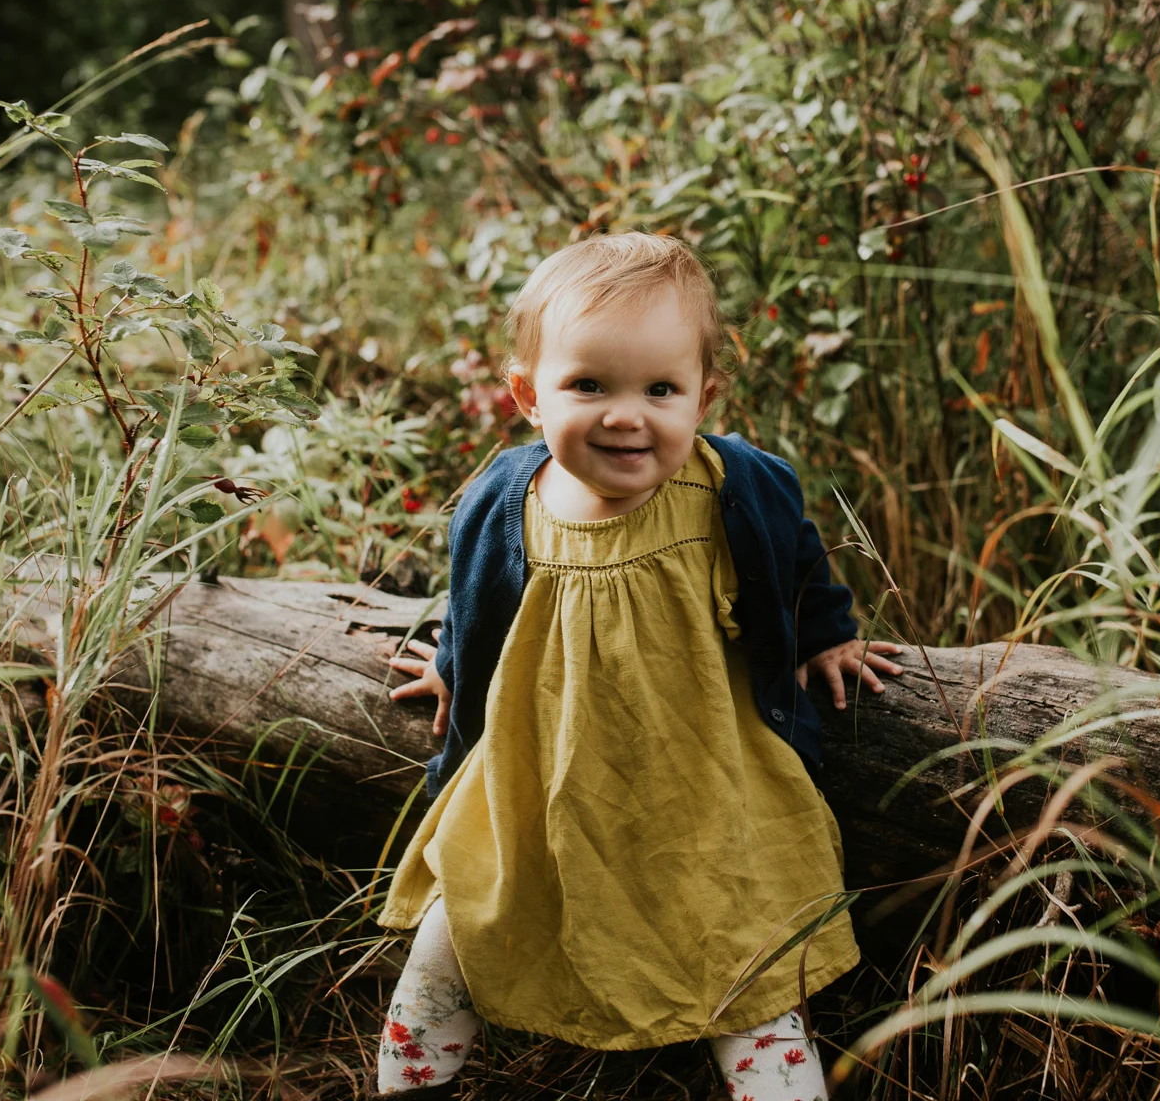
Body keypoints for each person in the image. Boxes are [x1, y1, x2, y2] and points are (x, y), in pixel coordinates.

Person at [373, 232, 903, 1099]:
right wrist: (453, 665)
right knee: (454, 941)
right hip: (537, 790)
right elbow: (480, 598)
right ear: (528, 396)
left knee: (747, 967)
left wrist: (827, 635)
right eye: (589, 385)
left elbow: (794, 558)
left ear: (704, 395)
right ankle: (410, 1085)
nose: (627, 415)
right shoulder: (506, 500)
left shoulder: (731, 488)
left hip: (706, 794)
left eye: (661, 389)